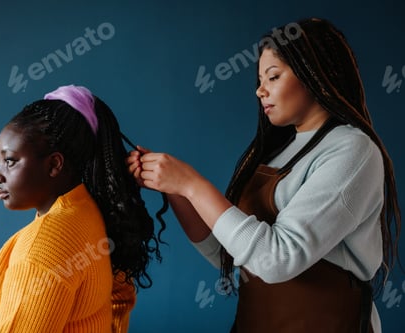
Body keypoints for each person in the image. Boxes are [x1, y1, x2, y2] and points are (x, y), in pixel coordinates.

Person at [128, 18, 401, 333]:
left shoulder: (352, 150)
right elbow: (231, 255)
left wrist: (192, 184)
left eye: (273, 76)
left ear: (315, 74)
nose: (260, 90)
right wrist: (176, 189)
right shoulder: (277, 152)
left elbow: (277, 259)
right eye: (259, 79)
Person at [0, 84, 164, 332]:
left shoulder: (46, 245)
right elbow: (119, 300)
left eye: (10, 161)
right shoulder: (88, 212)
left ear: (55, 164)